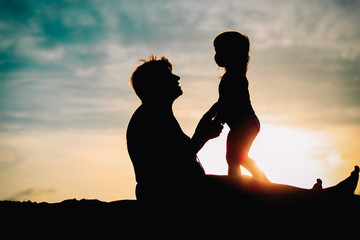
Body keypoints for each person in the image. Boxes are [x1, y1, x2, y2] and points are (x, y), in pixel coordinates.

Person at [126, 55, 359, 203]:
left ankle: (316, 197)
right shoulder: (149, 118)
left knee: (247, 185)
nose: (176, 77)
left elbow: (177, 156)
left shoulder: (156, 114)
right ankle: (319, 199)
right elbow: (168, 168)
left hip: (184, 191)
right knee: (246, 186)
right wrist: (202, 136)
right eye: (169, 76)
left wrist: (203, 128)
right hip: (173, 197)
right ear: (154, 86)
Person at [213, 31, 268, 182]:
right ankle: (237, 183)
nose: (216, 55)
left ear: (232, 53)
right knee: (233, 158)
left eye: (220, 51)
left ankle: (258, 183)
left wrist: (217, 117)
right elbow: (224, 102)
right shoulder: (231, 76)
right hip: (241, 125)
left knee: (236, 157)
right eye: (216, 51)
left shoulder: (234, 77)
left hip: (245, 123)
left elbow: (227, 102)